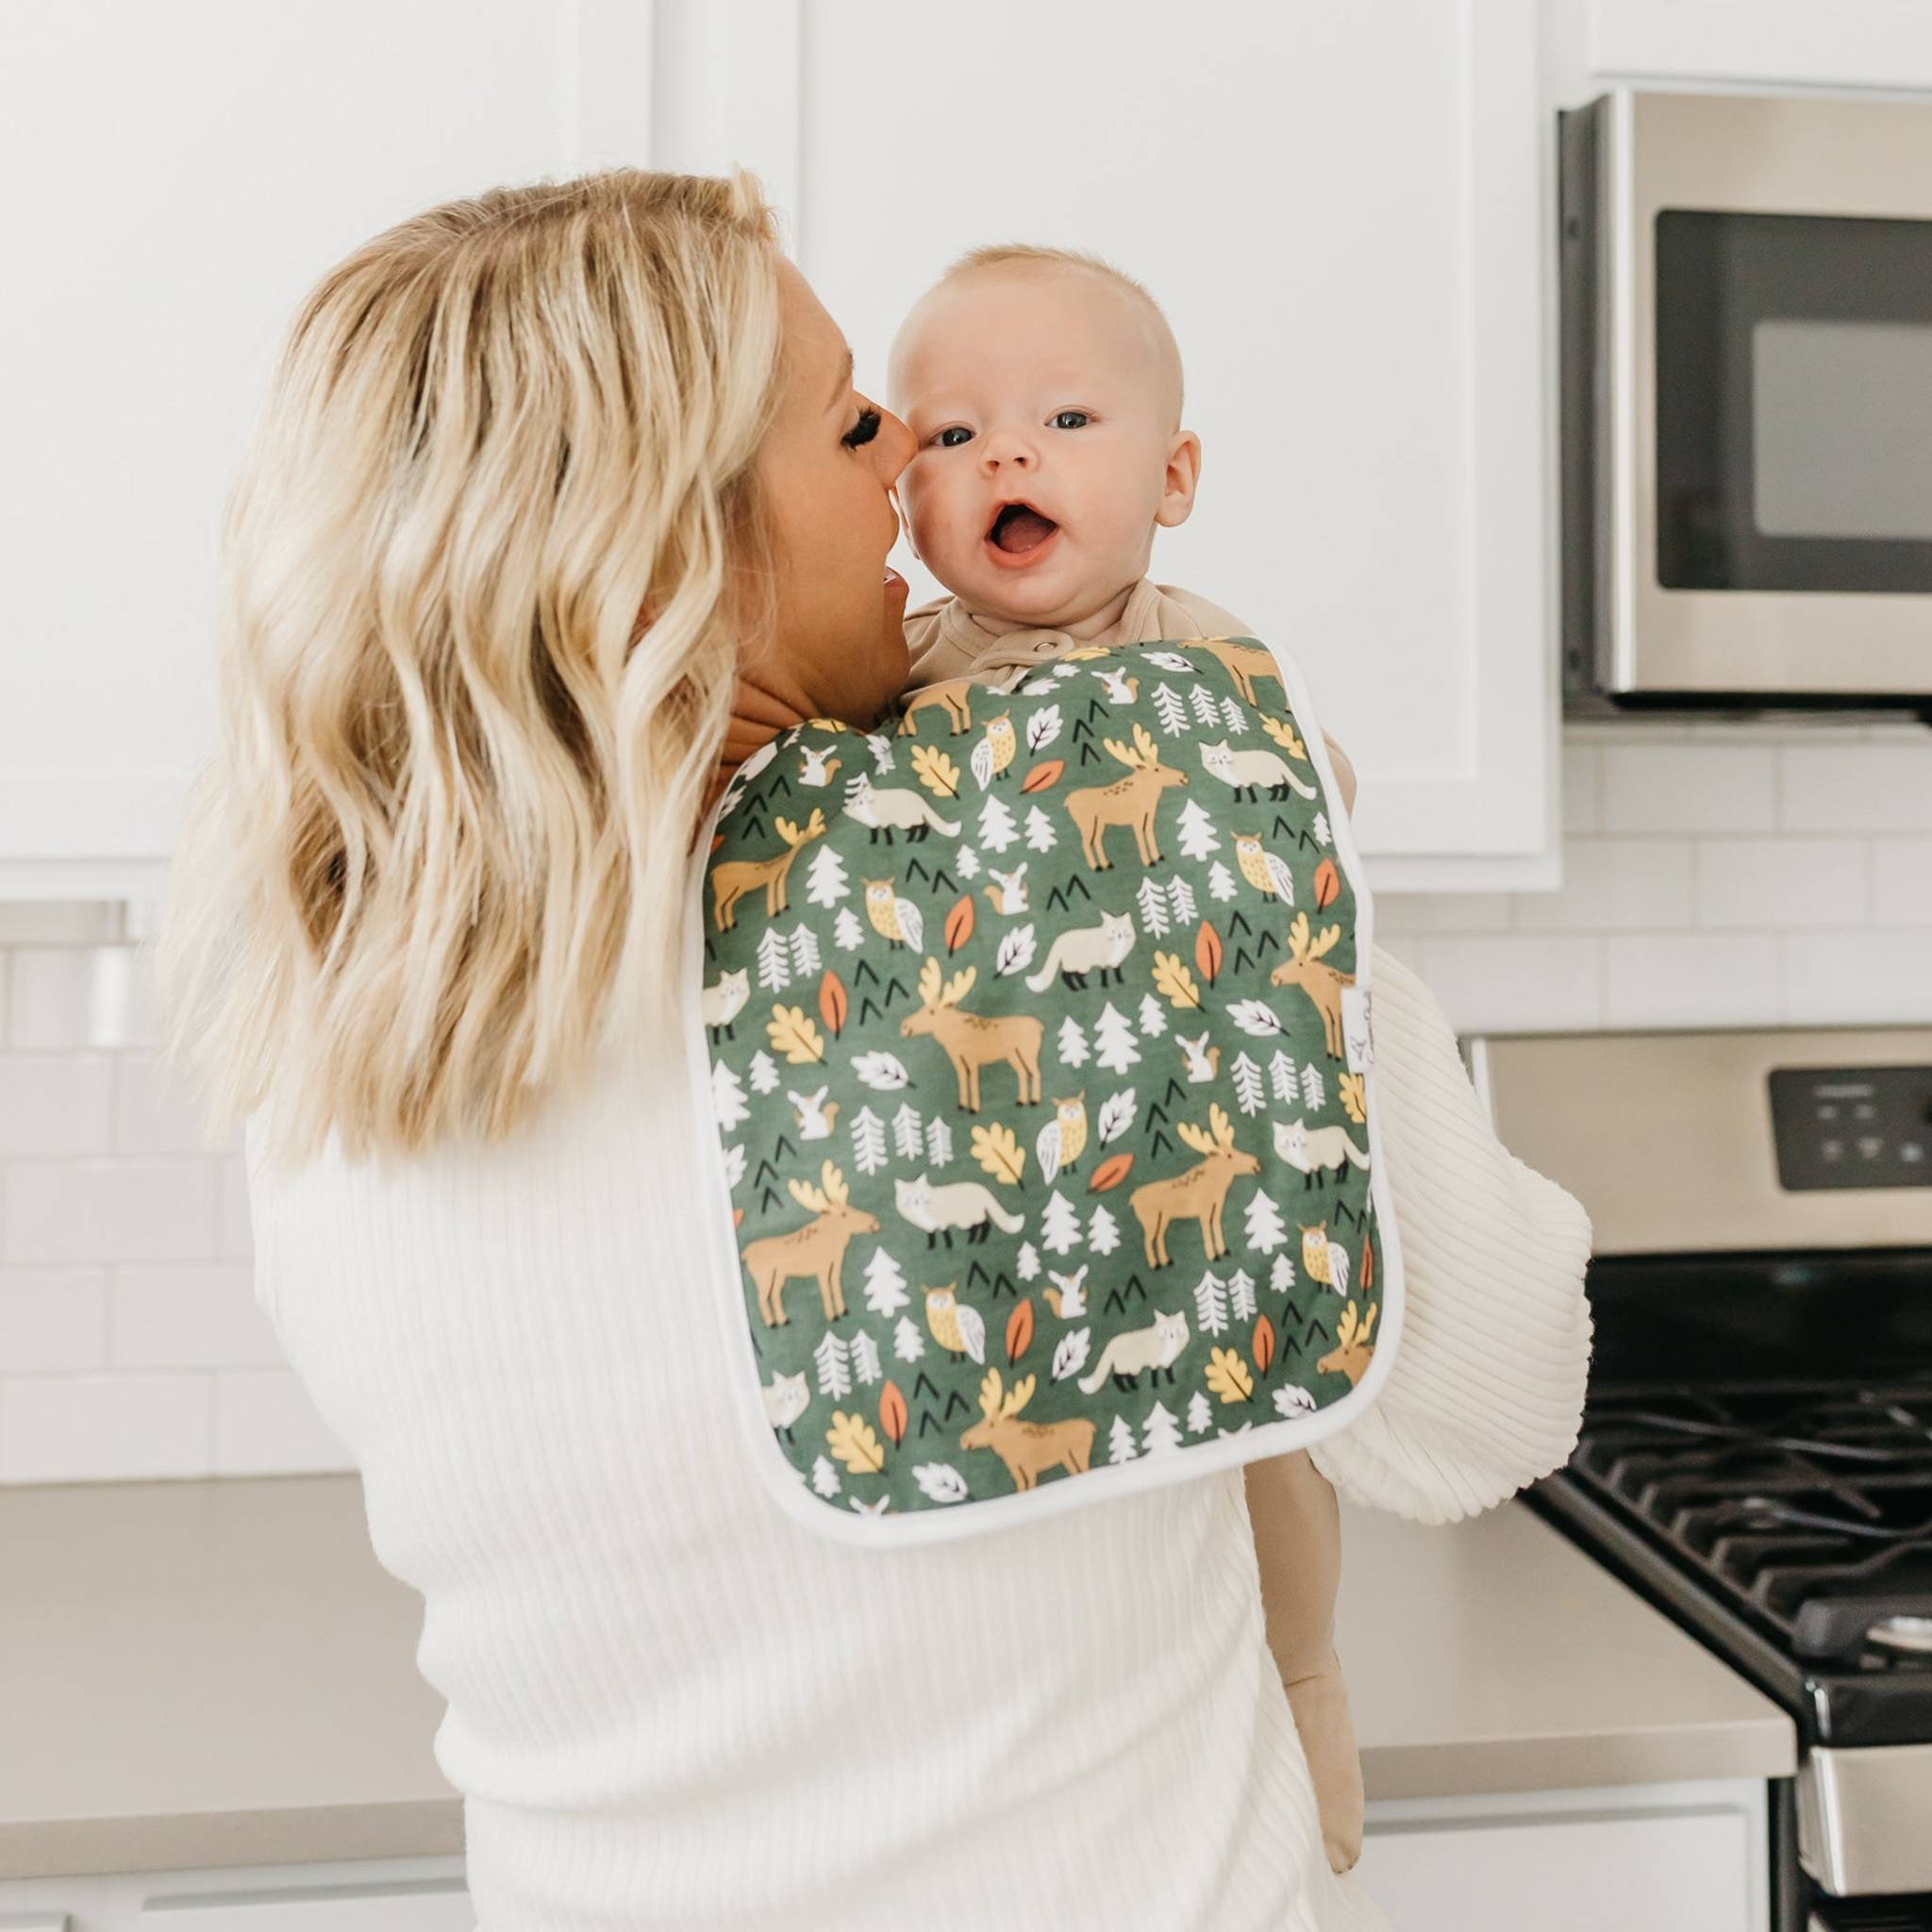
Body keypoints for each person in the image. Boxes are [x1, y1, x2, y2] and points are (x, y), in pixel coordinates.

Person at [154, 167, 1591, 1932]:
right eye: (851, 426)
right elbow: (1494, 1407)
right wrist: (1281, 863)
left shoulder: (334, 1027)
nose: (914, 451)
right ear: (678, 547)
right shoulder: (1101, 856)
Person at [887, 241, 1367, 1871]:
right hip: (1019, 1146)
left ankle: (1305, 1681)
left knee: (1270, 1441)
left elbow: (1309, 790)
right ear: (903, 496)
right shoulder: (895, 679)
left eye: (1065, 420)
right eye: (951, 434)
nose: (1004, 457)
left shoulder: (1206, 657)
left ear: (1172, 479)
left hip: (1198, 1114)